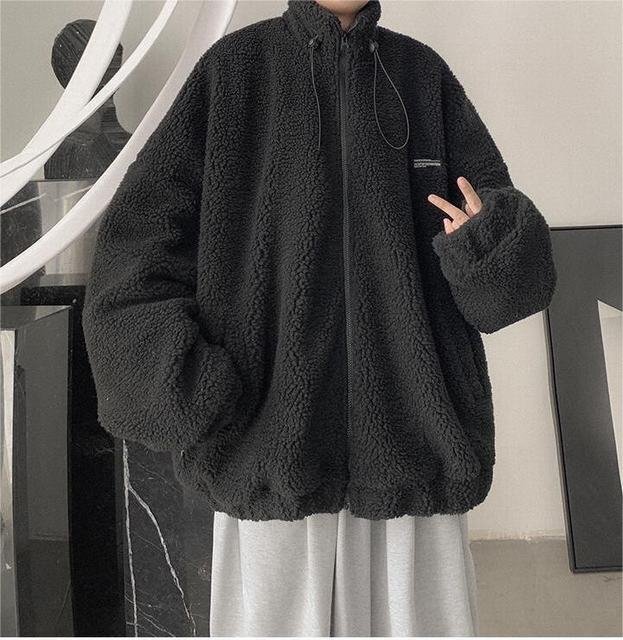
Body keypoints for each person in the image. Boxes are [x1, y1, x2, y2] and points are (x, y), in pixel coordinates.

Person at [82, 0, 557, 635]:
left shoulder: (422, 76)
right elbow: (136, 246)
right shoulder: (234, 72)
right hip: (270, 444)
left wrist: (485, 242)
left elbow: (512, 282)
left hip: (413, 445)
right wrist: (190, 384)